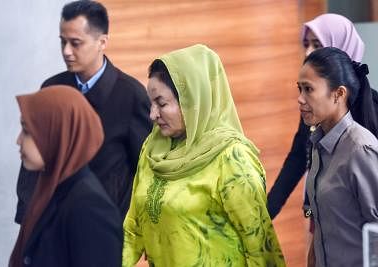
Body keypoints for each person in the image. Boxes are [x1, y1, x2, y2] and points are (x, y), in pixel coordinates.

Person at [123, 44, 285, 267]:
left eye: (161, 103)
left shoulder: (231, 158)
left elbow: (261, 248)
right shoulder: (154, 149)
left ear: (192, 101)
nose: (152, 115)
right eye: (151, 104)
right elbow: (132, 229)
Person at [15, 0, 152, 223]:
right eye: (63, 42)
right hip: (53, 227)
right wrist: (27, 217)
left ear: (102, 42)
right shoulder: (51, 89)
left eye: (76, 43)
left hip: (105, 229)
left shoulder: (132, 96)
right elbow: (32, 159)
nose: (66, 51)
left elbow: (146, 171)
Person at [267, 13, 378, 219]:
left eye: (317, 44)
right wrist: (266, 213)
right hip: (320, 210)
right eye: (306, 44)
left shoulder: (371, 112)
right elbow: (298, 157)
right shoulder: (313, 108)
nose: (308, 52)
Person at [9, 86, 122, 267]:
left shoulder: (90, 207)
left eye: (27, 131)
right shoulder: (50, 188)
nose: (18, 140)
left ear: (57, 133)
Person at [297, 47, 378, 267]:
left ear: (339, 94)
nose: (300, 99)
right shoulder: (318, 145)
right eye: (299, 89)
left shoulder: (361, 150)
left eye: (308, 89)